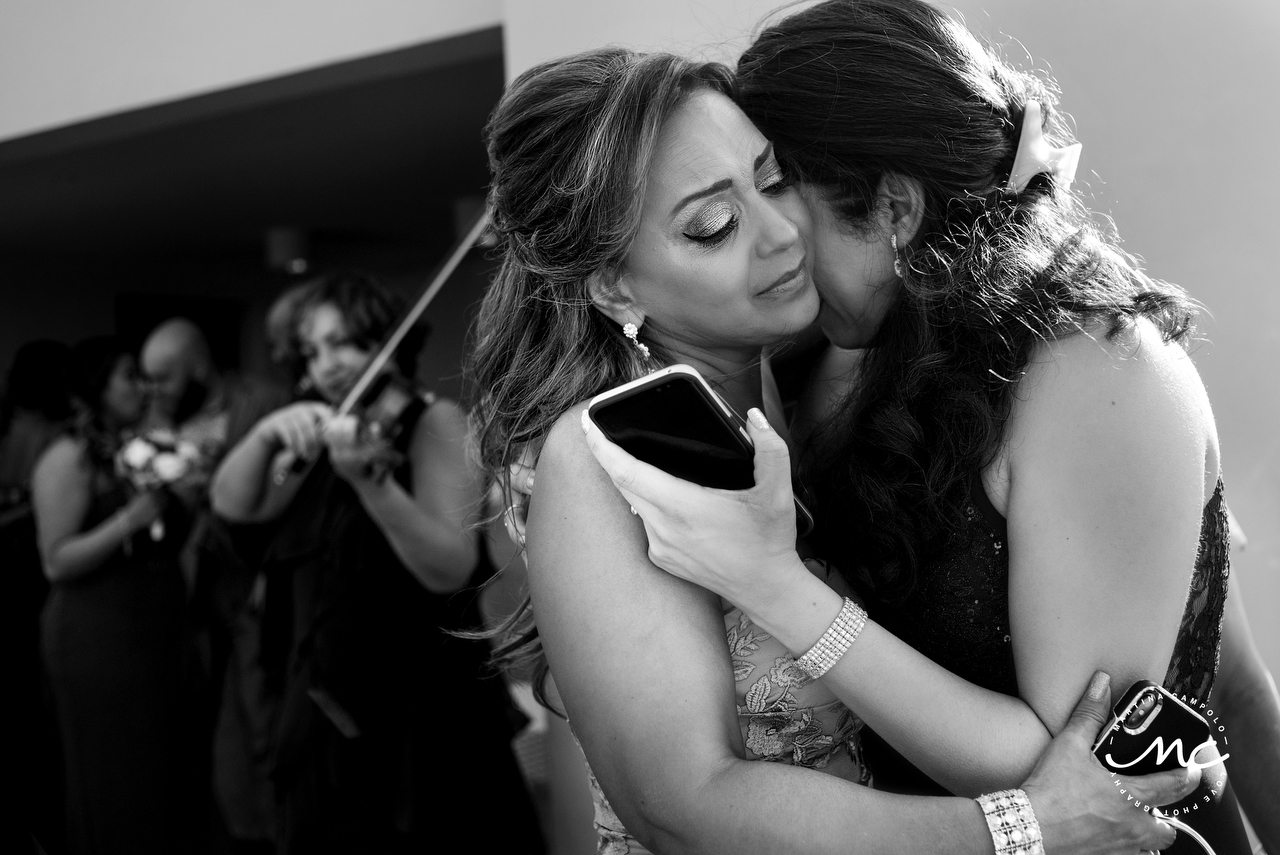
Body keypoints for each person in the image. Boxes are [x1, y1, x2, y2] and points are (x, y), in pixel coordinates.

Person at [570, 0, 1276, 849]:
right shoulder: (821, 362)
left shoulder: (1100, 373)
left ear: (895, 211)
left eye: (778, 189)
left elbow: (1088, 765)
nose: (777, 244)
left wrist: (782, 591)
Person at [209, 272, 544, 854]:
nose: (328, 364)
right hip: (326, 713)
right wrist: (265, 435)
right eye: (312, 352)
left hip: (416, 717)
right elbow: (232, 504)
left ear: (384, 339)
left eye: (343, 343)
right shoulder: (318, 433)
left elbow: (448, 566)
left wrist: (370, 484)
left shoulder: (431, 422)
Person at [33, 336, 197, 854]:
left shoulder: (142, 447)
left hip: (155, 629)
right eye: (130, 374)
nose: (143, 386)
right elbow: (56, 560)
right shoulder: (67, 457)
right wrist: (131, 518)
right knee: (112, 776)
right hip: (97, 637)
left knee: (161, 770)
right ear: (97, 386)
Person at [1, 339, 73, 854]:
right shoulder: (44, 436)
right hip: (22, 581)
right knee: (28, 715)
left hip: (28, 584)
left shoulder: (28, 427)